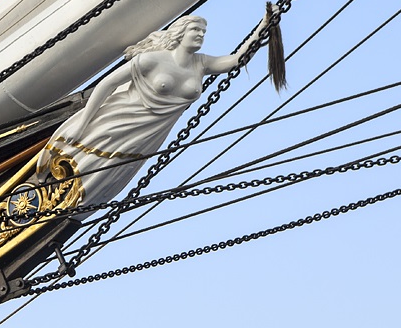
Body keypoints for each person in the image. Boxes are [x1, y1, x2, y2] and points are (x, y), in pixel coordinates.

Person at [37, 14, 263, 207]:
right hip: (118, 120)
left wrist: (263, 27)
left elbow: (236, 61)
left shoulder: (201, 64)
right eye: (195, 29)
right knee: (83, 158)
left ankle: (72, 201)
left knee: (108, 171)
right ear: (180, 32)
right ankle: (51, 190)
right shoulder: (152, 60)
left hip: (148, 135)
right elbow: (107, 84)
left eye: (203, 32)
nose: (201, 35)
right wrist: (82, 123)